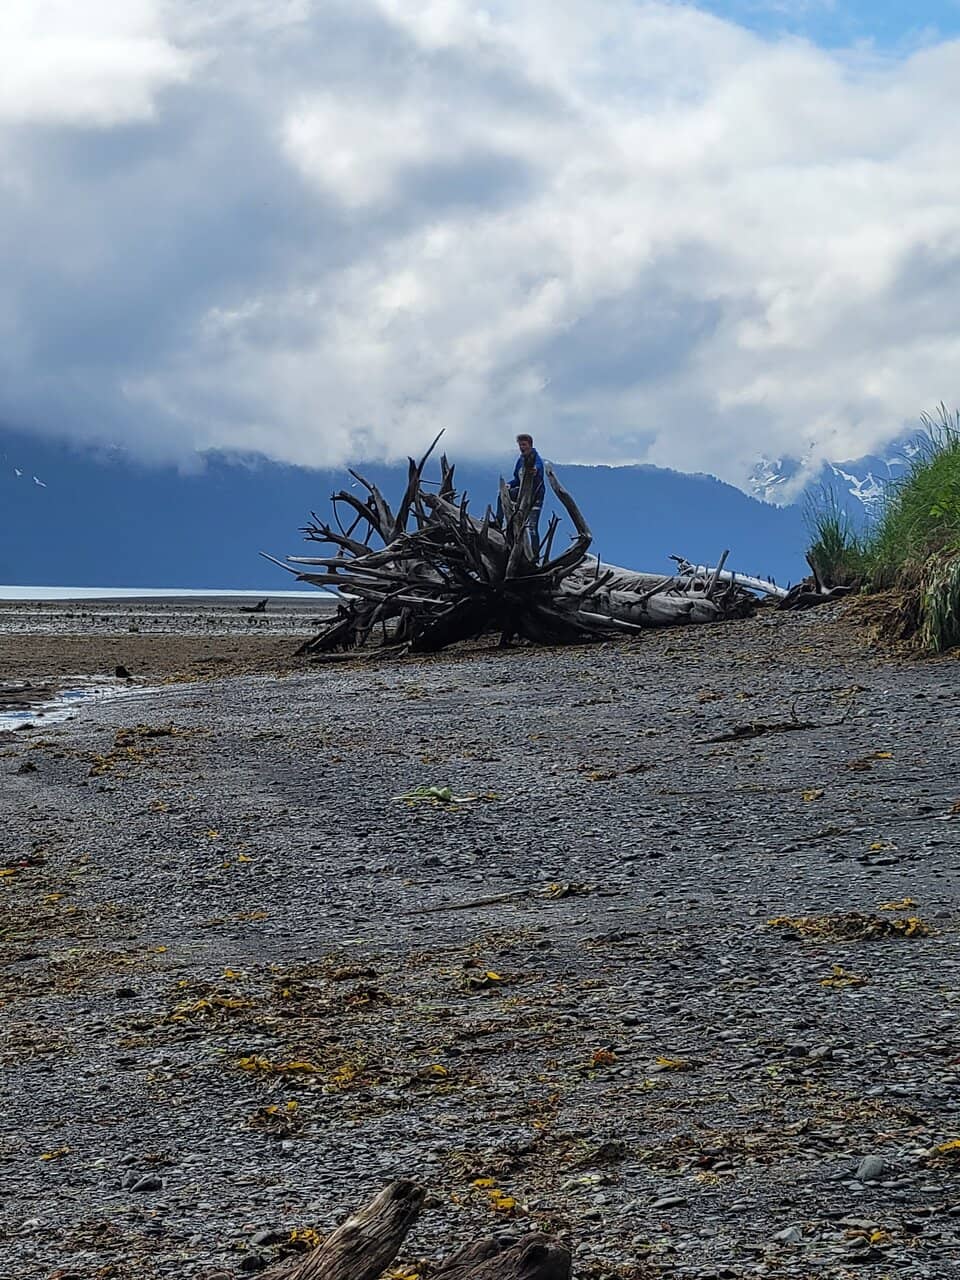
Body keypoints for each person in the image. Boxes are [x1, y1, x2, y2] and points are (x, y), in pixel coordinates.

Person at [507, 433, 546, 560]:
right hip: (521, 496)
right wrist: (508, 485)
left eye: (524, 445)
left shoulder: (536, 458)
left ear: (530, 445)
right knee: (505, 495)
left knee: (532, 528)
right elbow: (517, 479)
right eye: (520, 445)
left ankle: (535, 556)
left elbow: (538, 468)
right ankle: (498, 519)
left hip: (535, 498)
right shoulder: (520, 460)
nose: (521, 447)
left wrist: (535, 470)